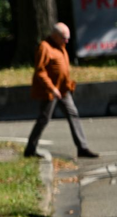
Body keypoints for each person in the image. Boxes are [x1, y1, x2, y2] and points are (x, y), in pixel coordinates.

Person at [24, 22, 99, 159]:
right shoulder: (44, 47)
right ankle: (30, 149)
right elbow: (40, 71)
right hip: (51, 92)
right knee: (44, 119)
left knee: (73, 114)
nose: (67, 41)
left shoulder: (61, 46)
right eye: (64, 38)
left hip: (63, 90)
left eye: (68, 38)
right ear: (55, 35)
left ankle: (82, 148)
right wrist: (52, 88)